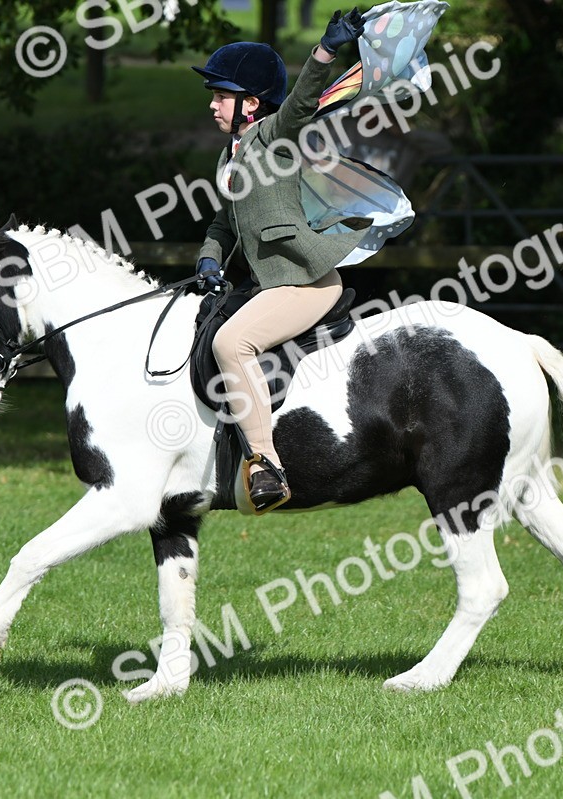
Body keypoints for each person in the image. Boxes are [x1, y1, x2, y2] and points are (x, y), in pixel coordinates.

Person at [193, 9, 367, 513]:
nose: (212, 104)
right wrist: (208, 261)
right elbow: (222, 225)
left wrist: (326, 51)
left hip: (305, 281)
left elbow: (303, 100)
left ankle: (266, 466)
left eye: (221, 95)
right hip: (269, 286)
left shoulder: (274, 135)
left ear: (251, 103)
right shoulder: (229, 157)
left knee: (231, 343)